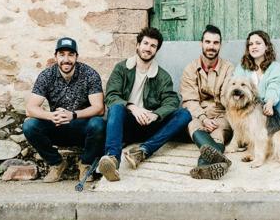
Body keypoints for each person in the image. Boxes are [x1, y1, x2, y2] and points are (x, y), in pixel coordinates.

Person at [97, 27, 192, 182]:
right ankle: (113, 158)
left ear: (156, 51)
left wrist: (155, 115)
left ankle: (143, 151)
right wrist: (132, 107)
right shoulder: (121, 68)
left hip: (150, 125)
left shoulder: (163, 76)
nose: (148, 48)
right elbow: (111, 95)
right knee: (116, 107)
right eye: (145, 43)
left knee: (184, 114)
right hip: (126, 124)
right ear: (138, 45)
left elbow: (171, 100)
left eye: (153, 46)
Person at [23, 37, 106, 183]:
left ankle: (86, 164)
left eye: (70, 55)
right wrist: (50, 116)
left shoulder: (89, 74)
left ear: (76, 57)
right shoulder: (46, 76)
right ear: (56, 56)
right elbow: (30, 108)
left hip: (82, 127)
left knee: (98, 124)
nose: (66, 59)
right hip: (57, 125)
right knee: (29, 125)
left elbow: (99, 108)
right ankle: (56, 164)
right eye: (62, 54)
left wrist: (73, 115)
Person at [180, 24, 234, 180]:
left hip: (222, 114)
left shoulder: (229, 68)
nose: (211, 46)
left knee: (218, 133)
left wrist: (214, 118)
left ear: (220, 45)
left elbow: (227, 96)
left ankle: (202, 166)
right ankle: (217, 160)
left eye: (215, 43)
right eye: (208, 42)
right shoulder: (190, 69)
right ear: (201, 43)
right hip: (199, 115)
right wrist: (203, 118)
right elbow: (190, 100)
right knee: (192, 124)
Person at [233, 30, 280, 118]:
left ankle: (277, 127)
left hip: (270, 107)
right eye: (251, 44)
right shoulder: (242, 67)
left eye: (258, 43)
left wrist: (270, 102)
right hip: (248, 107)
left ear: (266, 46)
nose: (254, 47)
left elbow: (274, 86)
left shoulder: (275, 67)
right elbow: (236, 86)